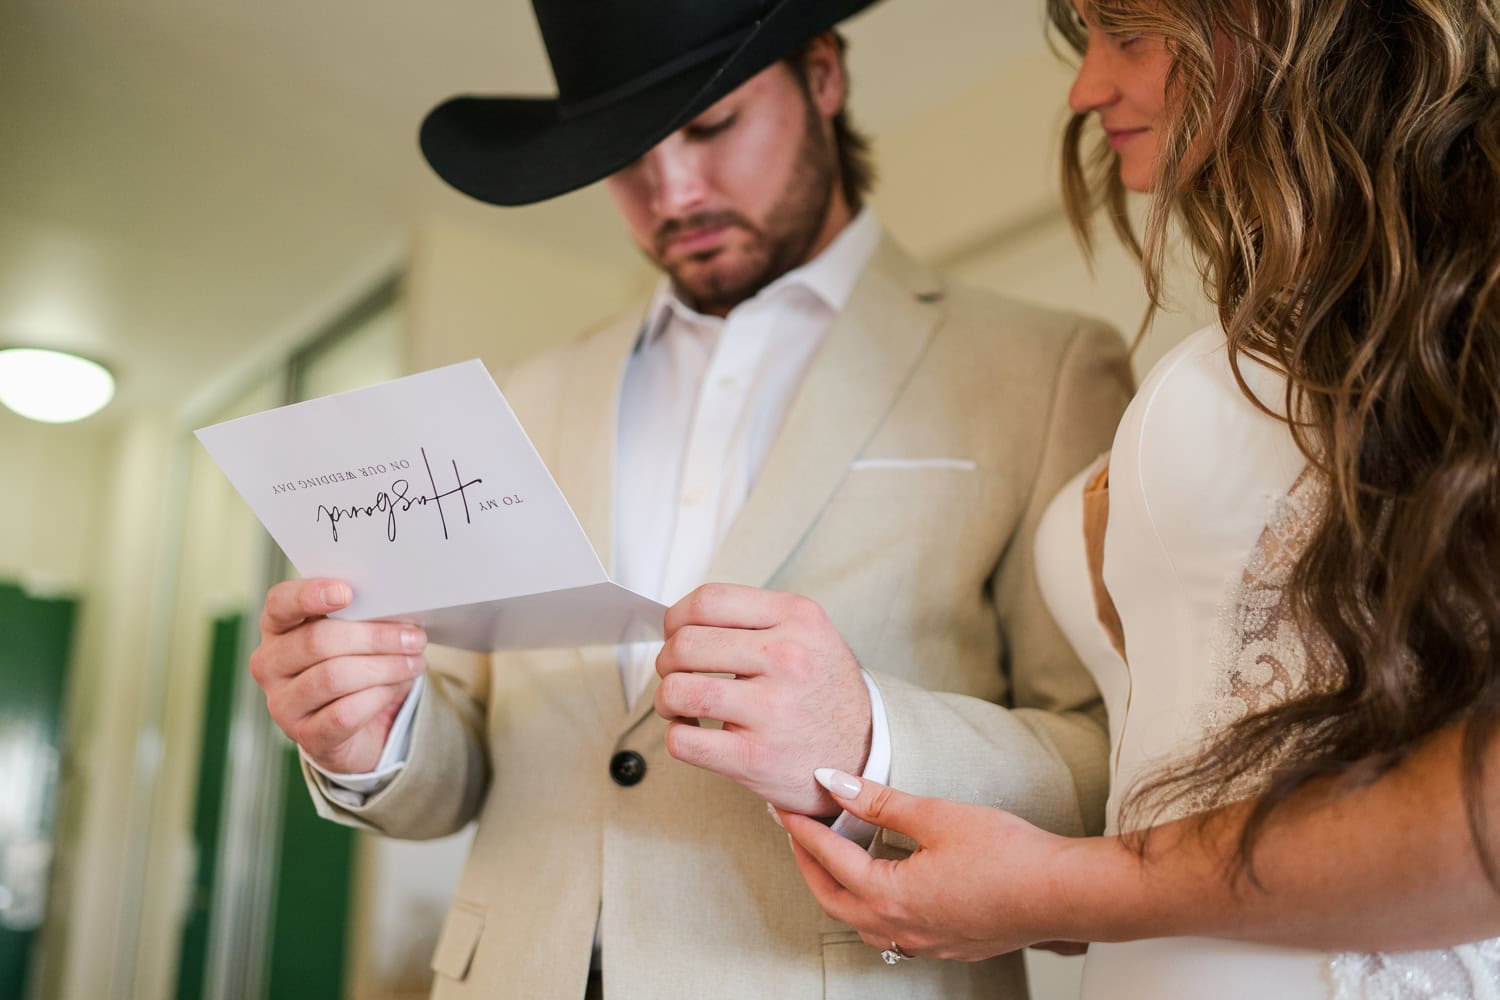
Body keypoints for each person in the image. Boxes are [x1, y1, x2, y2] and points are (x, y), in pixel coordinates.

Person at [247, 1, 1134, 997]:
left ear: (824, 75)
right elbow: (464, 772)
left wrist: (867, 739)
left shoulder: (1045, 367)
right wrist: (372, 734)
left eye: (713, 126)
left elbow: (1118, 771)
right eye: (625, 154)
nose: (672, 189)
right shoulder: (526, 397)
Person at [780, 0, 1500, 996]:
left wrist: (1065, 888)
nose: (1086, 89)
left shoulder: (1475, 294)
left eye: (1128, 31)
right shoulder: (1266, 339)